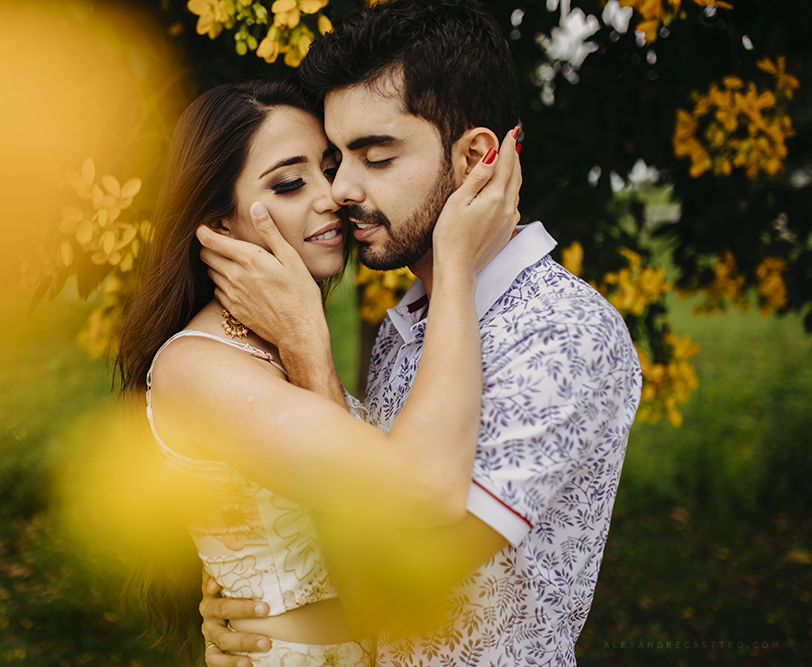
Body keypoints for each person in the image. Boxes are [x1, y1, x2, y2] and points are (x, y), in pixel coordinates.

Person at [196, 1, 643, 665]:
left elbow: (398, 591)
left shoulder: (560, 332)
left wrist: (311, 355)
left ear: (477, 157)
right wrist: (265, 618)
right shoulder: (415, 320)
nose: (341, 189)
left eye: (375, 158)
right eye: (335, 158)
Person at [115, 77, 522, 666]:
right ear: (219, 221)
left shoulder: (274, 343)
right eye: (288, 182)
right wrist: (455, 261)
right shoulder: (197, 369)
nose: (332, 194)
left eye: (328, 168)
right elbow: (422, 489)